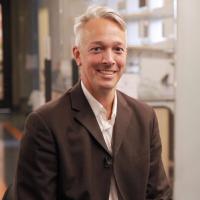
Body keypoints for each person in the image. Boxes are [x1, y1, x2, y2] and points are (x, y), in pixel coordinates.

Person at [13, 5, 172, 200]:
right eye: (97, 49)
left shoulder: (145, 117)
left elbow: (159, 194)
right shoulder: (45, 123)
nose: (109, 59)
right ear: (78, 55)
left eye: (118, 49)